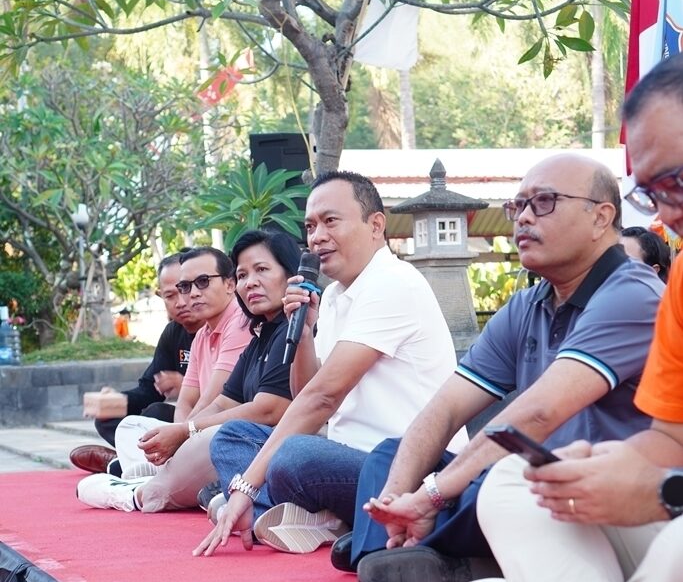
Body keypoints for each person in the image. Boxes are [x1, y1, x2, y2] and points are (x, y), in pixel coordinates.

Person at [438, 52, 683, 582]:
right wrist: (604, 466)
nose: (665, 216)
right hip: (664, 517)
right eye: (653, 193)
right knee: (515, 479)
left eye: (678, 181)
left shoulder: (631, 291)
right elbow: (669, 442)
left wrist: (661, 491)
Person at [351, 153, 663, 582]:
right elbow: (446, 408)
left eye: (544, 202)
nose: (524, 218)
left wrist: (431, 496)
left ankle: (430, 559)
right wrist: (398, 501)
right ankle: (402, 550)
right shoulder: (528, 305)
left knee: (501, 480)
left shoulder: (631, 293)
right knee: (390, 456)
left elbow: (537, 414)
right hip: (533, 484)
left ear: (601, 217)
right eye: (519, 206)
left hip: (600, 496)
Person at [193, 169, 466, 557]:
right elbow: (306, 392)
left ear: (376, 225)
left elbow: (323, 397)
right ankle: (305, 514)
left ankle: (275, 509)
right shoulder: (335, 295)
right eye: (310, 226)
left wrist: (244, 487)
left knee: (295, 455)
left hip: (407, 468)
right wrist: (304, 332)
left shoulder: (393, 282)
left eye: (330, 221)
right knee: (234, 435)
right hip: (345, 455)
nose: (317, 236)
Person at [77, 246, 251, 510]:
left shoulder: (240, 323)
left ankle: (134, 490)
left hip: (221, 429)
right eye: (182, 288)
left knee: (162, 416)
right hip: (195, 427)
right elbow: (173, 397)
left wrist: (182, 435)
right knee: (130, 426)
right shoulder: (194, 334)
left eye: (203, 282)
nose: (189, 296)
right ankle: (149, 477)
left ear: (230, 284)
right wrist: (178, 433)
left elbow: (216, 400)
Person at [69, 251, 202, 473]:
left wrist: (189, 387)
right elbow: (149, 389)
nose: (181, 302)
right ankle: (134, 460)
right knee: (111, 417)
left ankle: (121, 463)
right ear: (160, 296)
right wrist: (115, 400)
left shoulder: (224, 329)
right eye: (170, 295)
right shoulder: (173, 333)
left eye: (185, 289)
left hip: (207, 424)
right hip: (178, 425)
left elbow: (235, 395)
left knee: (156, 414)